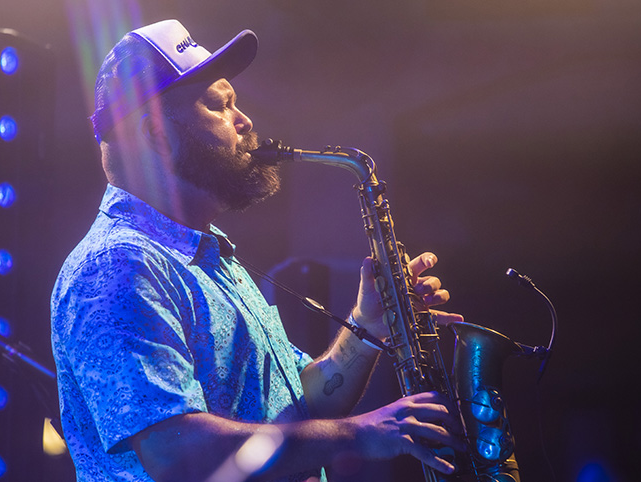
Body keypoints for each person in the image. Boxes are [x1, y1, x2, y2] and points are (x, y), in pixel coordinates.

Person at [51, 19, 466, 482]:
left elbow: (299, 405)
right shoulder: (118, 266)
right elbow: (175, 452)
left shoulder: (206, 255)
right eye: (220, 105)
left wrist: (368, 327)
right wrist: (361, 435)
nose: (244, 120)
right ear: (156, 134)